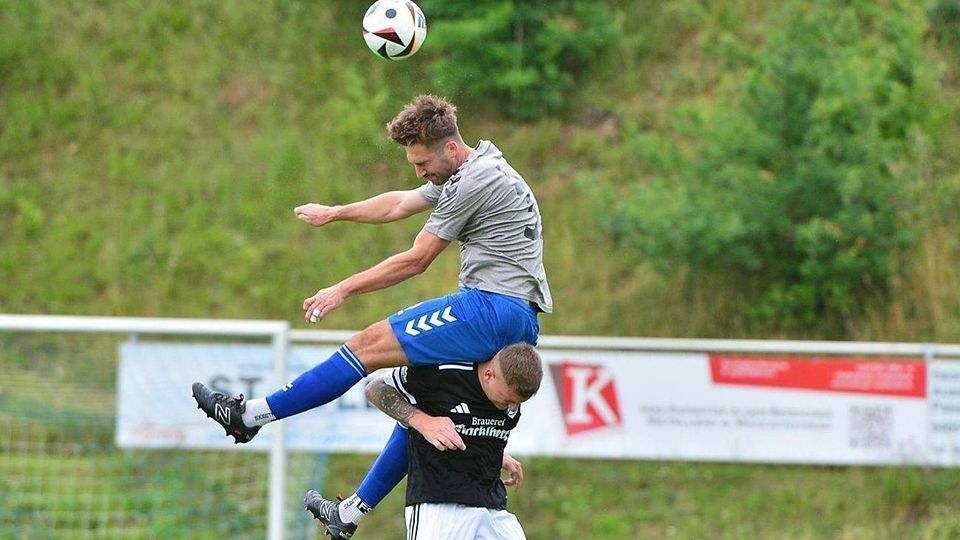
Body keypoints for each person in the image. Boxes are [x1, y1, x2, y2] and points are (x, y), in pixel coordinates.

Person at [191, 94, 552, 538]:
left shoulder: (474, 181)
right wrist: (338, 212)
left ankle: (248, 417)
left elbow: (416, 260)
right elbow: (400, 203)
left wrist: (343, 288)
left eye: (422, 163)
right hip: (519, 321)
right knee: (427, 404)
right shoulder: (476, 168)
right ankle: (351, 513)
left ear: (451, 149)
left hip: (491, 310)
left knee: (364, 348)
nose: (419, 173)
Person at [306, 342, 542, 540]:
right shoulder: (444, 375)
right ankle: (349, 512)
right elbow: (375, 389)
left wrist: (495, 454)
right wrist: (420, 420)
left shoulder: (508, 388)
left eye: (517, 403)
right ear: (489, 374)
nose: (511, 408)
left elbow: (471, 423)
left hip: (492, 507)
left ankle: (348, 513)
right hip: (439, 505)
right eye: (506, 400)